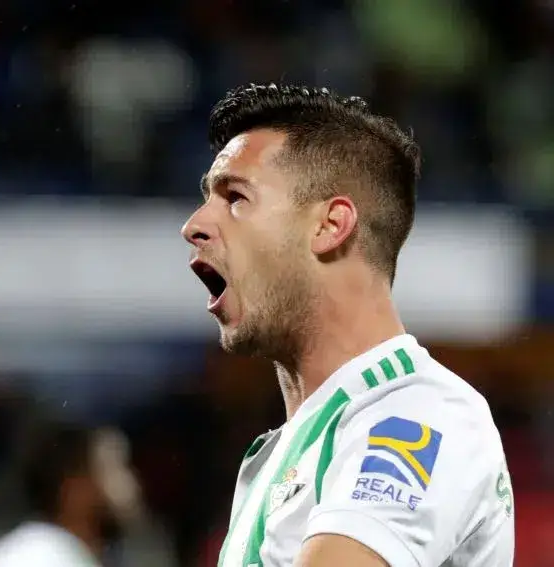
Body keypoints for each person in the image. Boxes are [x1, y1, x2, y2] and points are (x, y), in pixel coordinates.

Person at [181, 83, 515, 567]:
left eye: (235, 197)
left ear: (330, 226)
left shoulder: (418, 415)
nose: (194, 224)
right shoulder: (288, 449)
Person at [0, 425, 149, 567]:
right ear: (73, 488)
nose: (132, 482)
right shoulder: (38, 557)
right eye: (113, 469)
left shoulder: (59, 552)